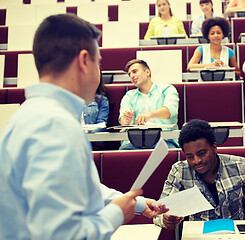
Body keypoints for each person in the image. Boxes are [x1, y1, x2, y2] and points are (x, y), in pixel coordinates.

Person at [0, 14, 167, 240]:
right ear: (83, 61)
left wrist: (133, 203)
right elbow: (63, 235)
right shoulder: (54, 124)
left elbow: (75, 187)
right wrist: (116, 214)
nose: (99, 72)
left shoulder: (33, 114)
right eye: (98, 63)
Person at [153, 119, 245, 230]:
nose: (196, 161)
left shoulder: (241, 165)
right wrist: (165, 219)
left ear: (214, 147)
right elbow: (159, 212)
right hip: (198, 234)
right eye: (190, 156)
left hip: (235, 232)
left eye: (201, 153)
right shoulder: (179, 171)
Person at [119, 59, 179, 150]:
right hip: (134, 142)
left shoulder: (167, 89)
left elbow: (170, 111)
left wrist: (149, 115)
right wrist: (126, 120)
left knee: (169, 152)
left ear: (147, 72)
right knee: (121, 154)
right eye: (129, 74)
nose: (132, 76)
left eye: (134, 71)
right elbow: (122, 120)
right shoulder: (129, 96)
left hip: (163, 140)